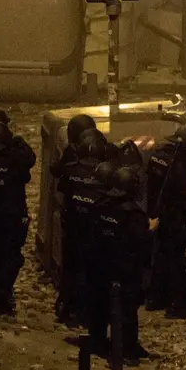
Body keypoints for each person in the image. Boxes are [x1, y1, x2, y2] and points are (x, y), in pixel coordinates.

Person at [87, 166, 154, 364]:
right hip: (125, 269)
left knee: (99, 305)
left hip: (100, 264)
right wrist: (150, 230)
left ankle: (98, 342)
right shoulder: (134, 214)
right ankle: (127, 348)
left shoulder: (100, 204)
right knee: (127, 309)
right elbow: (141, 246)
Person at [145, 125, 186, 317]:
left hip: (157, 212)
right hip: (174, 216)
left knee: (160, 255)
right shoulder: (182, 166)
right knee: (175, 259)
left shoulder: (159, 157)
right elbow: (185, 193)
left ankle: (155, 298)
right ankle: (176, 305)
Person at [0, 120, 37, 316]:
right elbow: (30, 160)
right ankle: (2, 296)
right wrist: (18, 141)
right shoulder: (13, 157)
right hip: (12, 218)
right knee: (10, 258)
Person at [55, 130, 107, 326]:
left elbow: (62, 190)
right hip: (94, 232)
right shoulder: (104, 174)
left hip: (72, 227)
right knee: (92, 273)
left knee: (71, 269)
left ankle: (67, 307)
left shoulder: (71, 170)